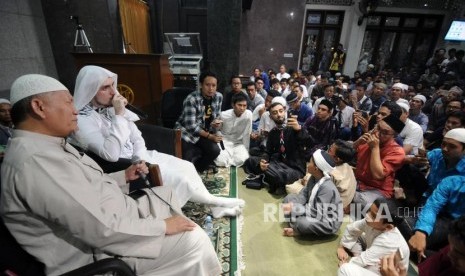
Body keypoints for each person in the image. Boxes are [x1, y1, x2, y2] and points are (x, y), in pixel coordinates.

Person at [0, 74, 221, 275]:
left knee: (167, 194)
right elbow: (98, 228)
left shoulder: (46, 145)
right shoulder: (35, 162)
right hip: (99, 251)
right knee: (194, 240)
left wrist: (121, 177)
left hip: (112, 216)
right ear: (39, 107)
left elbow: (85, 184)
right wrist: (162, 226)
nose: (75, 109)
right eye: (68, 102)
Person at [71, 66, 244, 218]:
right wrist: (119, 116)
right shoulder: (82, 120)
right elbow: (110, 154)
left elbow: (136, 136)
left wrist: (140, 156)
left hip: (141, 157)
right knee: (181, 179)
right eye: (105, 88)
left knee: (187, 167)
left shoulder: (109, 109)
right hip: (124, 165)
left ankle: (214, 207)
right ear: (91, 89)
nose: (113, 92)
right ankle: (215, 201)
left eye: (112, 86)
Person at [244, 101, 309, 195]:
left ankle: (269, 178)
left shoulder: (294, 128)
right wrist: (263, 161)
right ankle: (269, 177)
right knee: (251, 160)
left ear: (285, 111)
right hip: (279, 164)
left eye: (281, 111)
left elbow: (308, 142)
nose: (279, 115)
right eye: (275, 113)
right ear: (271, 117)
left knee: (278, 175)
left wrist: (299, 129)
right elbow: (268, 152)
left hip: (294, 169)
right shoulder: (273, 133)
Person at [337, 198, 410, 276]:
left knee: (345, 269)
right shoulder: (370, 221)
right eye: (369, 211)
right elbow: (352, 229)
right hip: (373, 253)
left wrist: (347, 264)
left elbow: (363, 260)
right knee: (357, 236)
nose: (367, 215)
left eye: (373, 216)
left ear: (388, 227)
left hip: (382, 271)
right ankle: (358, 255)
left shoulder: (388, 241)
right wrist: (342, 247)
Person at [281, 149, 342, 237]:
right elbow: (304, 194)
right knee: (288, 198)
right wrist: (293, 205)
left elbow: (318, 213)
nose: (307, 164)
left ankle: (297, 229)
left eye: (310, 162)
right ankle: (297, 227)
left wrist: (295, 209)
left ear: (316, 168)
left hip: (326, 219)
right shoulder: (313, 178)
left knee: (302, 223)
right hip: (311, 208)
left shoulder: (327, 188)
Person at [351, 115, 405, 210]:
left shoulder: (397, 151)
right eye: (378, 128)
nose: (378, 133)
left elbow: (378, 175)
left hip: (378, 190)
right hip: (359, 182)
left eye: (384, 132)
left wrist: (375, 148)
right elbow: (346, 154)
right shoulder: (369, 138)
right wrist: (357, 142)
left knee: (362, 200)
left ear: (394, 135)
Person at [175, 71, 223, 173]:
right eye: (207, 85)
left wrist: (216, 124)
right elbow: (191, 126)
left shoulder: (218, 97)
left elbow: (217, 116)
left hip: (204, 131)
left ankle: (197, 169)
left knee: (215, 151)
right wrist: (210, 136)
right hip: (186, 132)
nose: (211, 89)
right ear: (201, 85)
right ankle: (187, 173)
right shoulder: (191, 99)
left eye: (213, 85)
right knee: (187, 157)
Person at [214, 93, 252, 167]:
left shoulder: (248, 115)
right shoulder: (224, 115)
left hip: (238, 143)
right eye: (239, 105)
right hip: (224, 142)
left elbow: (247, 134)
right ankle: (228, 159)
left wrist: (246, 150)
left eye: (244, 106)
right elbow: (217, 129)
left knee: (243, 159)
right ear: (233, 105)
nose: (242, 108)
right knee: (221, 161)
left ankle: (229, 160)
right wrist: (216, 126)